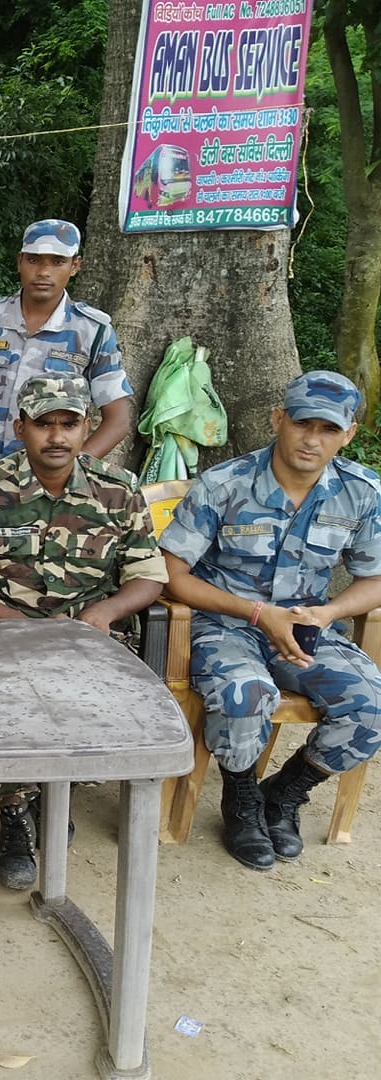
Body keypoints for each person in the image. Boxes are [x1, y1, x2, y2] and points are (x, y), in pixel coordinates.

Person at [0, 375, 167, 889]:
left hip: (90, 636)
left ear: (87, 429)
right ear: (21, 428)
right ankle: (16, 815)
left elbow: (148, 574)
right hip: (2, 632)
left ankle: (57, 792)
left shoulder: (118, 490)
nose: (56, 435)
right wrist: (21, 628)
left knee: (94, 698)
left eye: (69, 423)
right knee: (3, 699)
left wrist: (103, 615)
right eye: (43, 423)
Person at [159, 371, 381, 871]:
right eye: (304, 423)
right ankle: (240, 798)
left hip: (306, 628)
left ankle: (282, 794)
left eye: (329, 429)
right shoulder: (225, 484)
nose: (312, 439)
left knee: (372, 705)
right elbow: (171, 576)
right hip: (226, 625)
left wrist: (328, 612)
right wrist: (259, 613)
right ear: (279, 420)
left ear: (347, 434)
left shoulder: (361, 493)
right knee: (245, 695)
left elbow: (375, 578)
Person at [0, 219, 134, 480]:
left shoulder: (92, 331)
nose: (43, 272)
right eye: (34, 260)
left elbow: (118, 418)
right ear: (20, 261)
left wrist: (73, 470)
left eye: (57, 261)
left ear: (75, 266)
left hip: (52, 487)